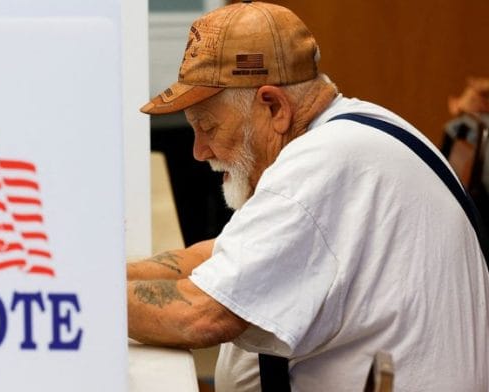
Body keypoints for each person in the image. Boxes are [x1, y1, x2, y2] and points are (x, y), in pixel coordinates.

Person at [127, 1, 489, 391]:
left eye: (209, 127)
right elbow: (219, 255)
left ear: (273, 107)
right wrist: (96, 279)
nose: (199, 151)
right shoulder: (349, 129)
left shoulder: (321, 163)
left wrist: (77, 304)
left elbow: (202, 315)